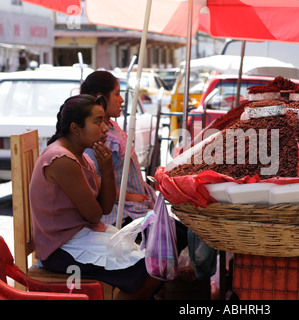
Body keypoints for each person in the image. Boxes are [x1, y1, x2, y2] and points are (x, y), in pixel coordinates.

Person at [29, 94, 160, 299]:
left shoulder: (82, 156)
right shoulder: (62, 160)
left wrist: (107, 171)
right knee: (151, 269)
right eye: (97, 122)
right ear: (75, 128)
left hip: (82, 238)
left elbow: (105, 208)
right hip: (61, 250)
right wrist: (106, 172)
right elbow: (94, 215)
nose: (106, 128)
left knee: (155, 264)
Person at [80, 70, 187, 253]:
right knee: (177, 236)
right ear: (100, 98)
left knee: (182, 233)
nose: (121, 100)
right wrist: (130, 197)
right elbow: (94, 185)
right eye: (116, 94)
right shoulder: (96, 137)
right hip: (121, 213)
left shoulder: (112, 126)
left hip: (138, 207)